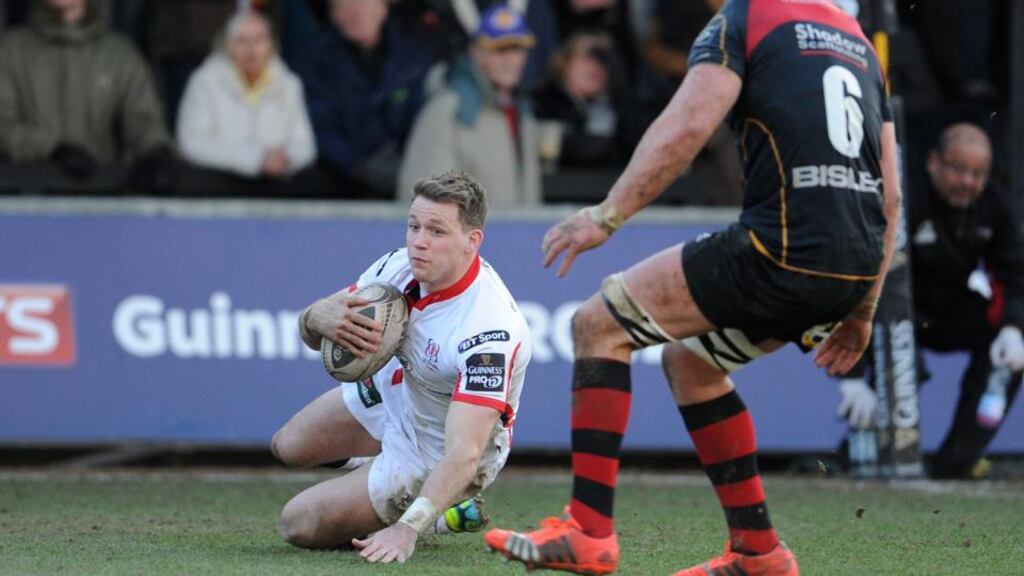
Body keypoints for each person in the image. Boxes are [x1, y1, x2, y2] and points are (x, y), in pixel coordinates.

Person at [484, 1, 900, 574]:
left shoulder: (747, 17)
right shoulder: (858, 41)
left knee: (597, 325)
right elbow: (891, 193)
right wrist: (864, 305)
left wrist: (605, 216)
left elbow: (687, 127)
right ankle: (759, 552)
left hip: (779, 247)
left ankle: (588, 531)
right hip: (854, 260)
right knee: (693, 363)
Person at [272, 170, 532, 564]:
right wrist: (313, 318)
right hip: (393, 392)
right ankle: (386, 489)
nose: (419, 243)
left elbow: (464, 452)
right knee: (287, 446)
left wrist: (407, 529)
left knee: (298, 523)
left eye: (437, 231)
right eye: (413, 226)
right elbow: (323, 334)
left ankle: (438, 511)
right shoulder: (395, 267)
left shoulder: (488, 333)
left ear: (472, 241)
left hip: (434, 448)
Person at [837, 123, 1024, 479]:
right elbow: (860, 276)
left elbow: (1014, 271)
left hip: (946, 309)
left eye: (978, 174)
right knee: (906, 365)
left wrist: (1014, 327)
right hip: (887, 312)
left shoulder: (993, 203)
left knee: (1007, 349)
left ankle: (954, 464)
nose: (968, 182)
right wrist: (852, 374)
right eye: (958, 169)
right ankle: (854, 456)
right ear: (933, 162)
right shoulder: (902, 195)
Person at [0, 0, 173, 189]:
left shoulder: (119, 55)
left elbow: (143, 120)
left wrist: (156, 152)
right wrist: (50, 150)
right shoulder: (9, 51)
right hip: (24, 196)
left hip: (102, 200)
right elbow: (4, 124)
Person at [398, 5, 540, 207]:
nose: (511, 59)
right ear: (476, 52)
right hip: (471, 238)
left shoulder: (522, 113)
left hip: (513, 237)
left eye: (517, 49)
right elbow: (426, 206)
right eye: (500, 49)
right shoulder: (447, 112)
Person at [297, 0, 432, 198]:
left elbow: (423, 117)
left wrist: (405, 161)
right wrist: (357, 166)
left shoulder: (412, 56)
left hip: (405, 177)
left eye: (366, 3)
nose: (358, 12)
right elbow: (318, 124)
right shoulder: (314, 61)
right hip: (336, 184)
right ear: (333, 13)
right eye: (346, 4)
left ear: (384, 8)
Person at [175, 10, 316, 192]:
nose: (252, 49)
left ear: (271, 44)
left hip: (275, 183)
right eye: (242, 41)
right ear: (227, 46)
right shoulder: (204, 81)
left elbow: (305, 146)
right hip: (218, 183)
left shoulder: (289, 84)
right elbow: (190, 143)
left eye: (259, 40)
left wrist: (284, 158)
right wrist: (255, 159)